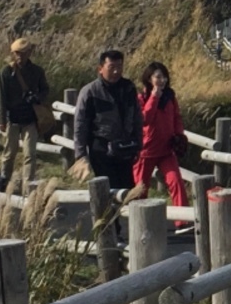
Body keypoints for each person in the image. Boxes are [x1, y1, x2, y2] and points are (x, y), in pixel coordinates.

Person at [72, 48, 142, 193]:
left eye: (120, 67)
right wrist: (81, 154)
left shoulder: (128, 87)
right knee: (108, 190)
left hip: (125, 146)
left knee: (127, 189)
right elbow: (80, 124)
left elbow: (136, 117)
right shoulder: (90, 91)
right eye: (112, 67)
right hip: (101, 148)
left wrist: (138, 144)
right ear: (100, 68)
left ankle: (123, 216)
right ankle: (108, 216)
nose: (116, 71)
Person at [133, 61, 187, 206]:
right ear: (149, 79)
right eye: (157, 77)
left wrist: (179, 135)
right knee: (140, 189)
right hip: (146, 151)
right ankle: (139, 222)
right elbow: (145, 119)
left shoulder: (170, 96)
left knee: (176, 182)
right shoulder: (141, 98)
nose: (162, 80)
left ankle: (183, 222)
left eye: (164, 77)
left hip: (167, 150)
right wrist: (154, 97)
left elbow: (177, 117)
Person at [0, 37, 48, 181]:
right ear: (13, 53)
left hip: (30, 117)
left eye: (23, 52)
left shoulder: (37, 71)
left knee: (30, 154)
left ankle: (28, 184)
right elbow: (1, 97)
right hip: (12, 118)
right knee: (9, 153)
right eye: (17, 53)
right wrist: (1, 120)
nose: (20, 56)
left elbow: (45, 90)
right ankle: (5, 179)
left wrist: (37, 97)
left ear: (29, 53)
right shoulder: (6, 72)